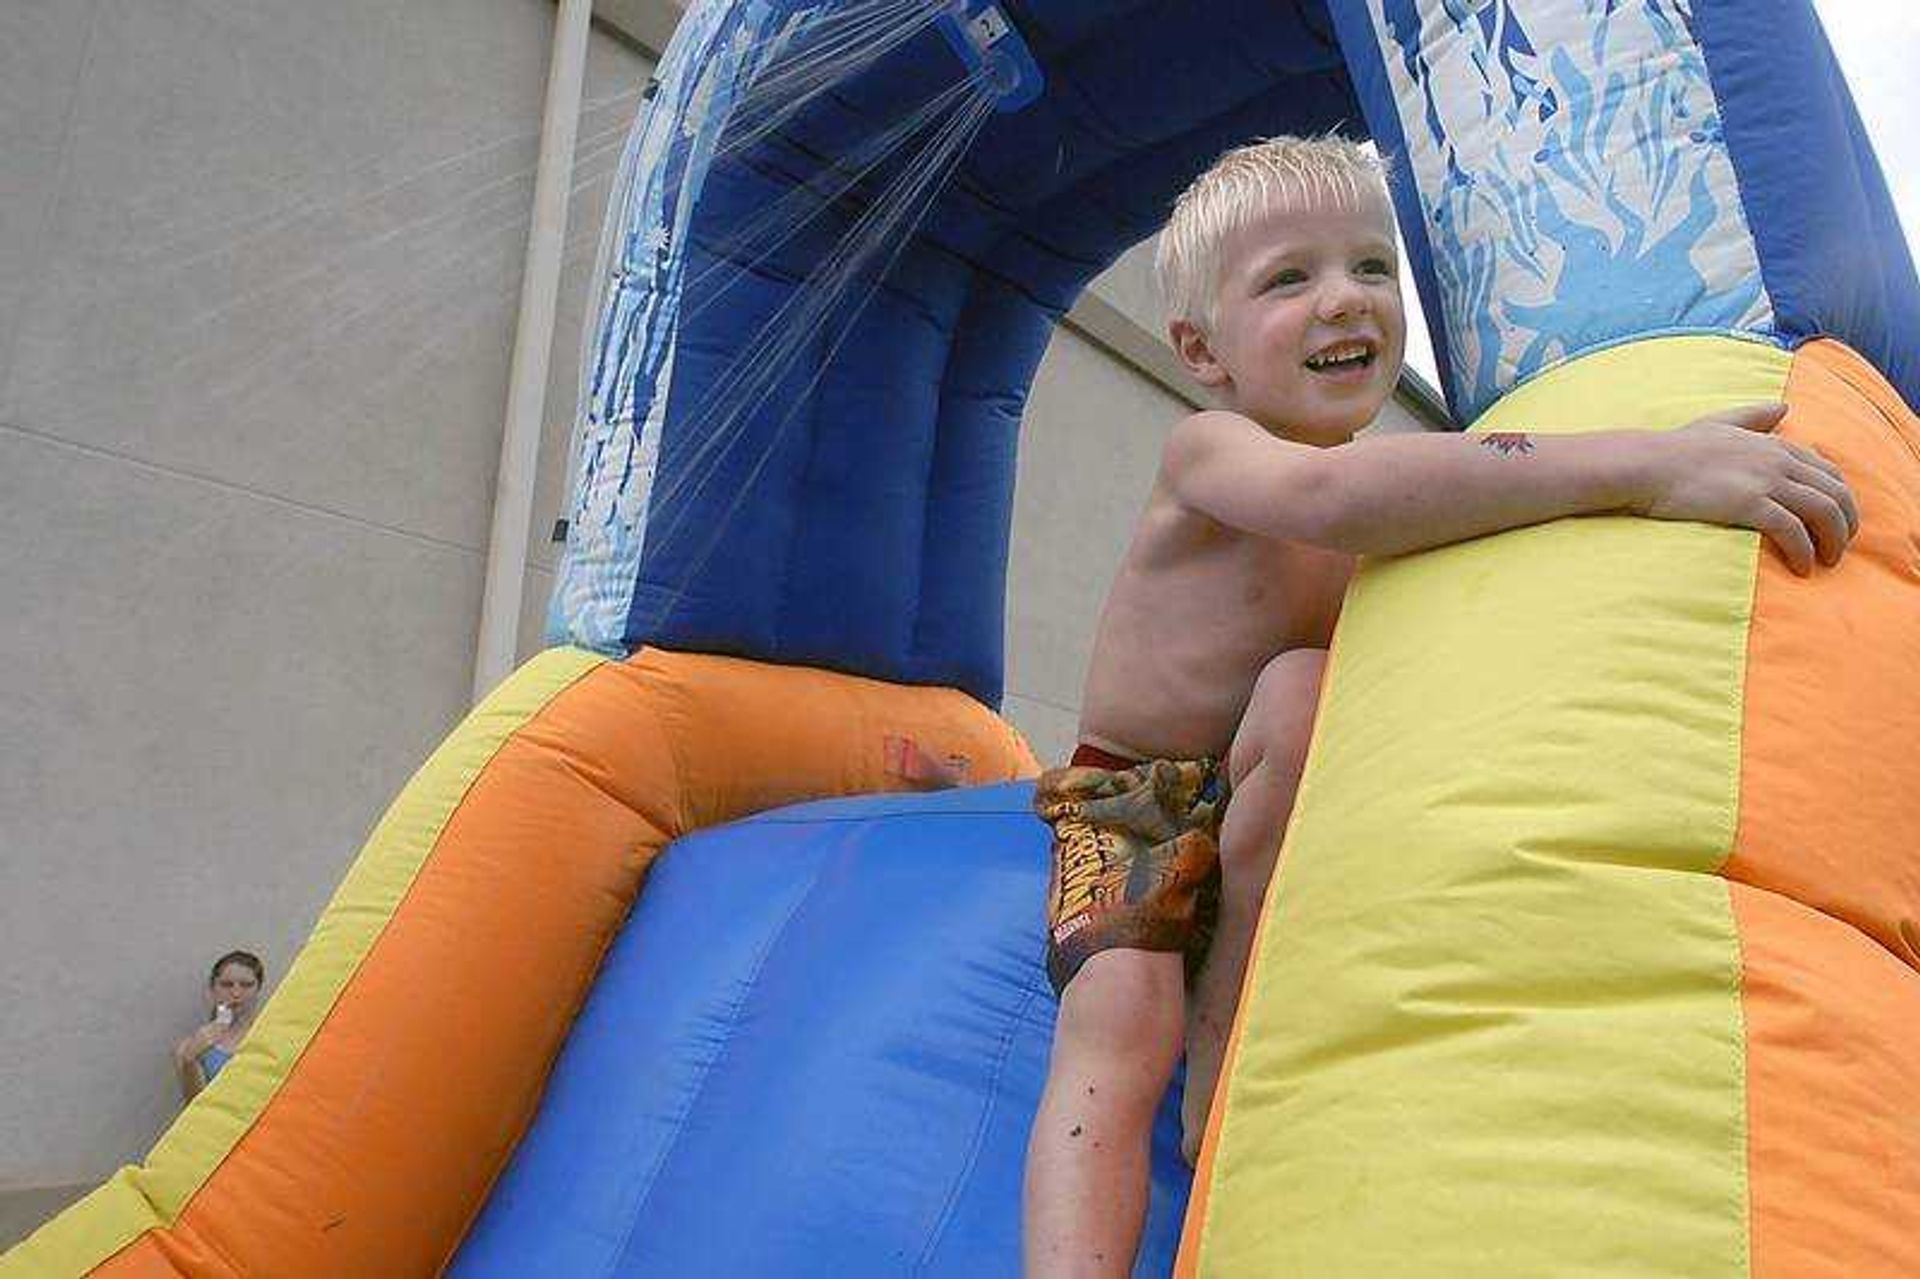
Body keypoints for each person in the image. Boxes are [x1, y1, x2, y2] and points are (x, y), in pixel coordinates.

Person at [1022, 135, 1859, 1278]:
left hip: (1269, 793)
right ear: (1199, 350)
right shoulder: (1211, 452)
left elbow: (1439, 505)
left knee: (1302, 687)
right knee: (1116, 1027)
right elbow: (1334, 496)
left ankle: (1228, 1015)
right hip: (1136, 806)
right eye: (1288, 278)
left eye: (1371, 267)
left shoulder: (1418, 476)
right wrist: (1642, 465)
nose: (1344, 300)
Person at [174, 949, 265, 1102]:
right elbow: (195, 1108)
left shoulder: (272, 1037)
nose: (236, 993)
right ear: (213, 989)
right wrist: (189, 1059)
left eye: (246, 985)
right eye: (227, 985)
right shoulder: (189, 1046)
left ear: (258, 988)